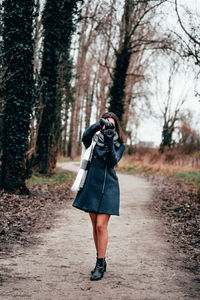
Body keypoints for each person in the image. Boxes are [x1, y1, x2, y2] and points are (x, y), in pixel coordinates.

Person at [72, 112, 125, 281]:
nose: (109, 127)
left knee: (101, 226)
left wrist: (109, 140)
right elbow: (84, 136)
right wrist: (98, 124)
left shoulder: (119, 143)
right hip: (92, 185)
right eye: (106, 123)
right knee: (95, 226)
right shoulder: (93, 140)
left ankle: (99, 264)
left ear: (116, 127)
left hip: (109, 186)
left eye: (112, 124)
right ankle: (101, 256)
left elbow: (112, 161)